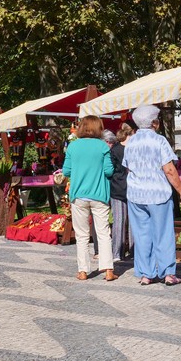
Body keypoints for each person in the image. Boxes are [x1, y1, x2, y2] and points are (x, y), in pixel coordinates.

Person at [123, 105, 181, 286]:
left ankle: (146, 273)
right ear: (154, 123)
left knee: (142, 235)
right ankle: (168, 273)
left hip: (136, 194)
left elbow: (129, 168)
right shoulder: (159, 141)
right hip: (158, 193)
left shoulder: (131, 143)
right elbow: (169, 170)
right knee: (163, 234)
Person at [64, 116, 117, 281]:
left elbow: (66, 171)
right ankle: (108, 270)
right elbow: (109, 171)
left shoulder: (73, 146)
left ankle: (83, 271)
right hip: (99, 195)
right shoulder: (102, 146)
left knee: (81, 235)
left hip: (78, 195)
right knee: (103, 233)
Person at [109, 122, 135, 261]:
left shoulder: (114, 149)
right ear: (131, 133)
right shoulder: (134, 149)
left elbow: (110, 170)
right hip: (133, 187)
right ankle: (133, 251)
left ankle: (116, 253)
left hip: (117, 187)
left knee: (119, 221)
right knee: (133, 222)